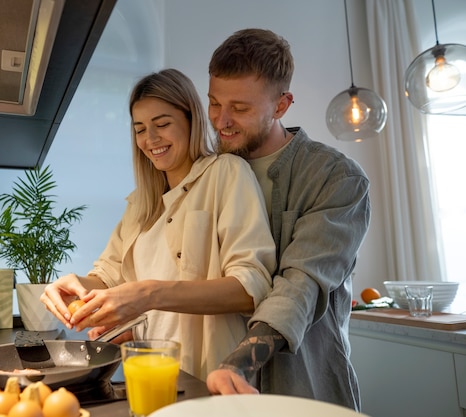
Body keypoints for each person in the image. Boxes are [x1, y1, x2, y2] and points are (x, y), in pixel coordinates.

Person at [41, 68, 276, 380]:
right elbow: (109, 279)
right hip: (150, 372)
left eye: (162, 124)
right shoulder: (140, 203)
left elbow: (250, 288)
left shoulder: (226, 174)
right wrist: (73, 287)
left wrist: (148, 293)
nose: (150, 139)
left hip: (208, 378)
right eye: (140, 129)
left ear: (191, 119)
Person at [204, 28, 370, 411]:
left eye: (240, 108)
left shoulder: (336, 178)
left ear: (282, 105)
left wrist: (241, 362)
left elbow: (302, 282)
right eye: (214, 103)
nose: (222, 121)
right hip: (210, 386)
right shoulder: (209, 170)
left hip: (304, 385)